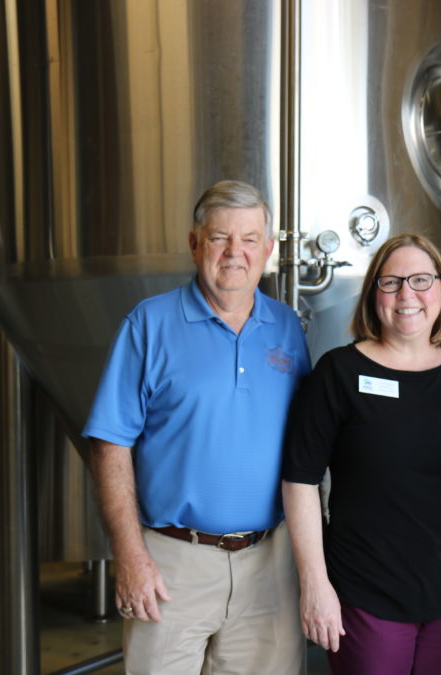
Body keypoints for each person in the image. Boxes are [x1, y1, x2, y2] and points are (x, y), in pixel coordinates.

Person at [82, 180, 311, 674]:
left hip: (270, 563)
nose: (235, 253)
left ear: (268, 250)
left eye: (250, 239)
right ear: (194, 244)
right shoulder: (149, 325)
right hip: (171, 563)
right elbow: (110, 445)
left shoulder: (287, 328)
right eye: (219, 238)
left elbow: (308, 450)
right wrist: (130, 556)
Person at [282, 233, 441, 675]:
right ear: (373, 294)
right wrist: (315, 583)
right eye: (392, 282)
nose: (407, 294)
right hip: (365, 593)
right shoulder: (339, 373)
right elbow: (300, 480)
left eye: (421, 280)